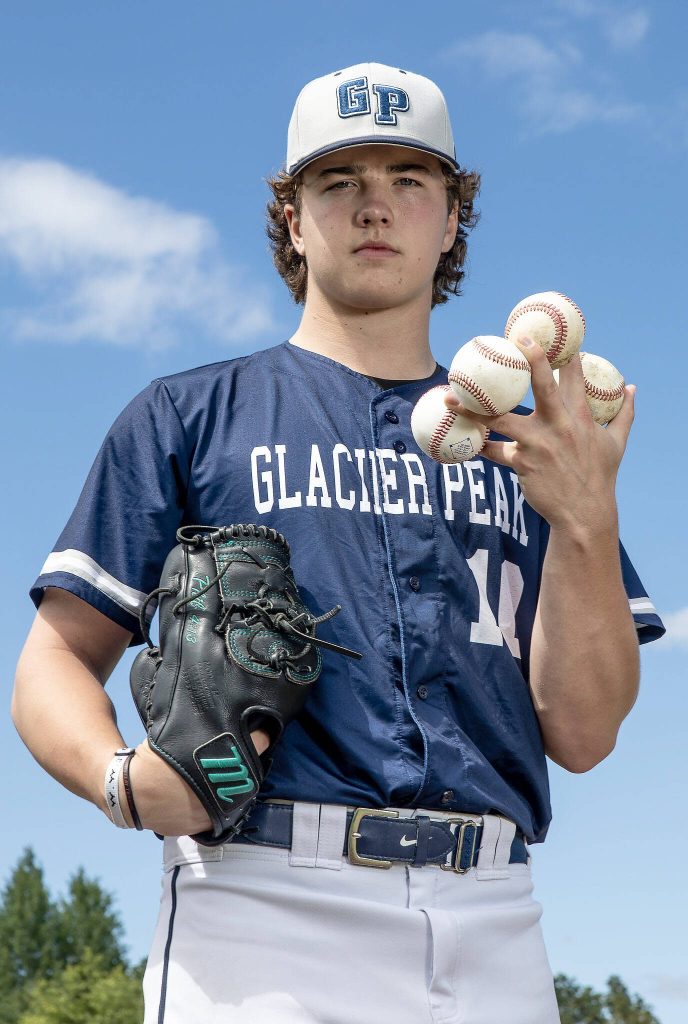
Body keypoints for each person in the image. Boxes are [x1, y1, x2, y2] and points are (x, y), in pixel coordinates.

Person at [13, 62, 664, 1024]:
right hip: (261, 903)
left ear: (451, 220)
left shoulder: (531, 449)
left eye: (410, 181)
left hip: (493, 912)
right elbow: (57, 657)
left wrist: (588, 518)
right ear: (292, 218)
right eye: (338, 182)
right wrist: (120, 782)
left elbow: (585, 734)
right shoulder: (190, 416)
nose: (375, 207)